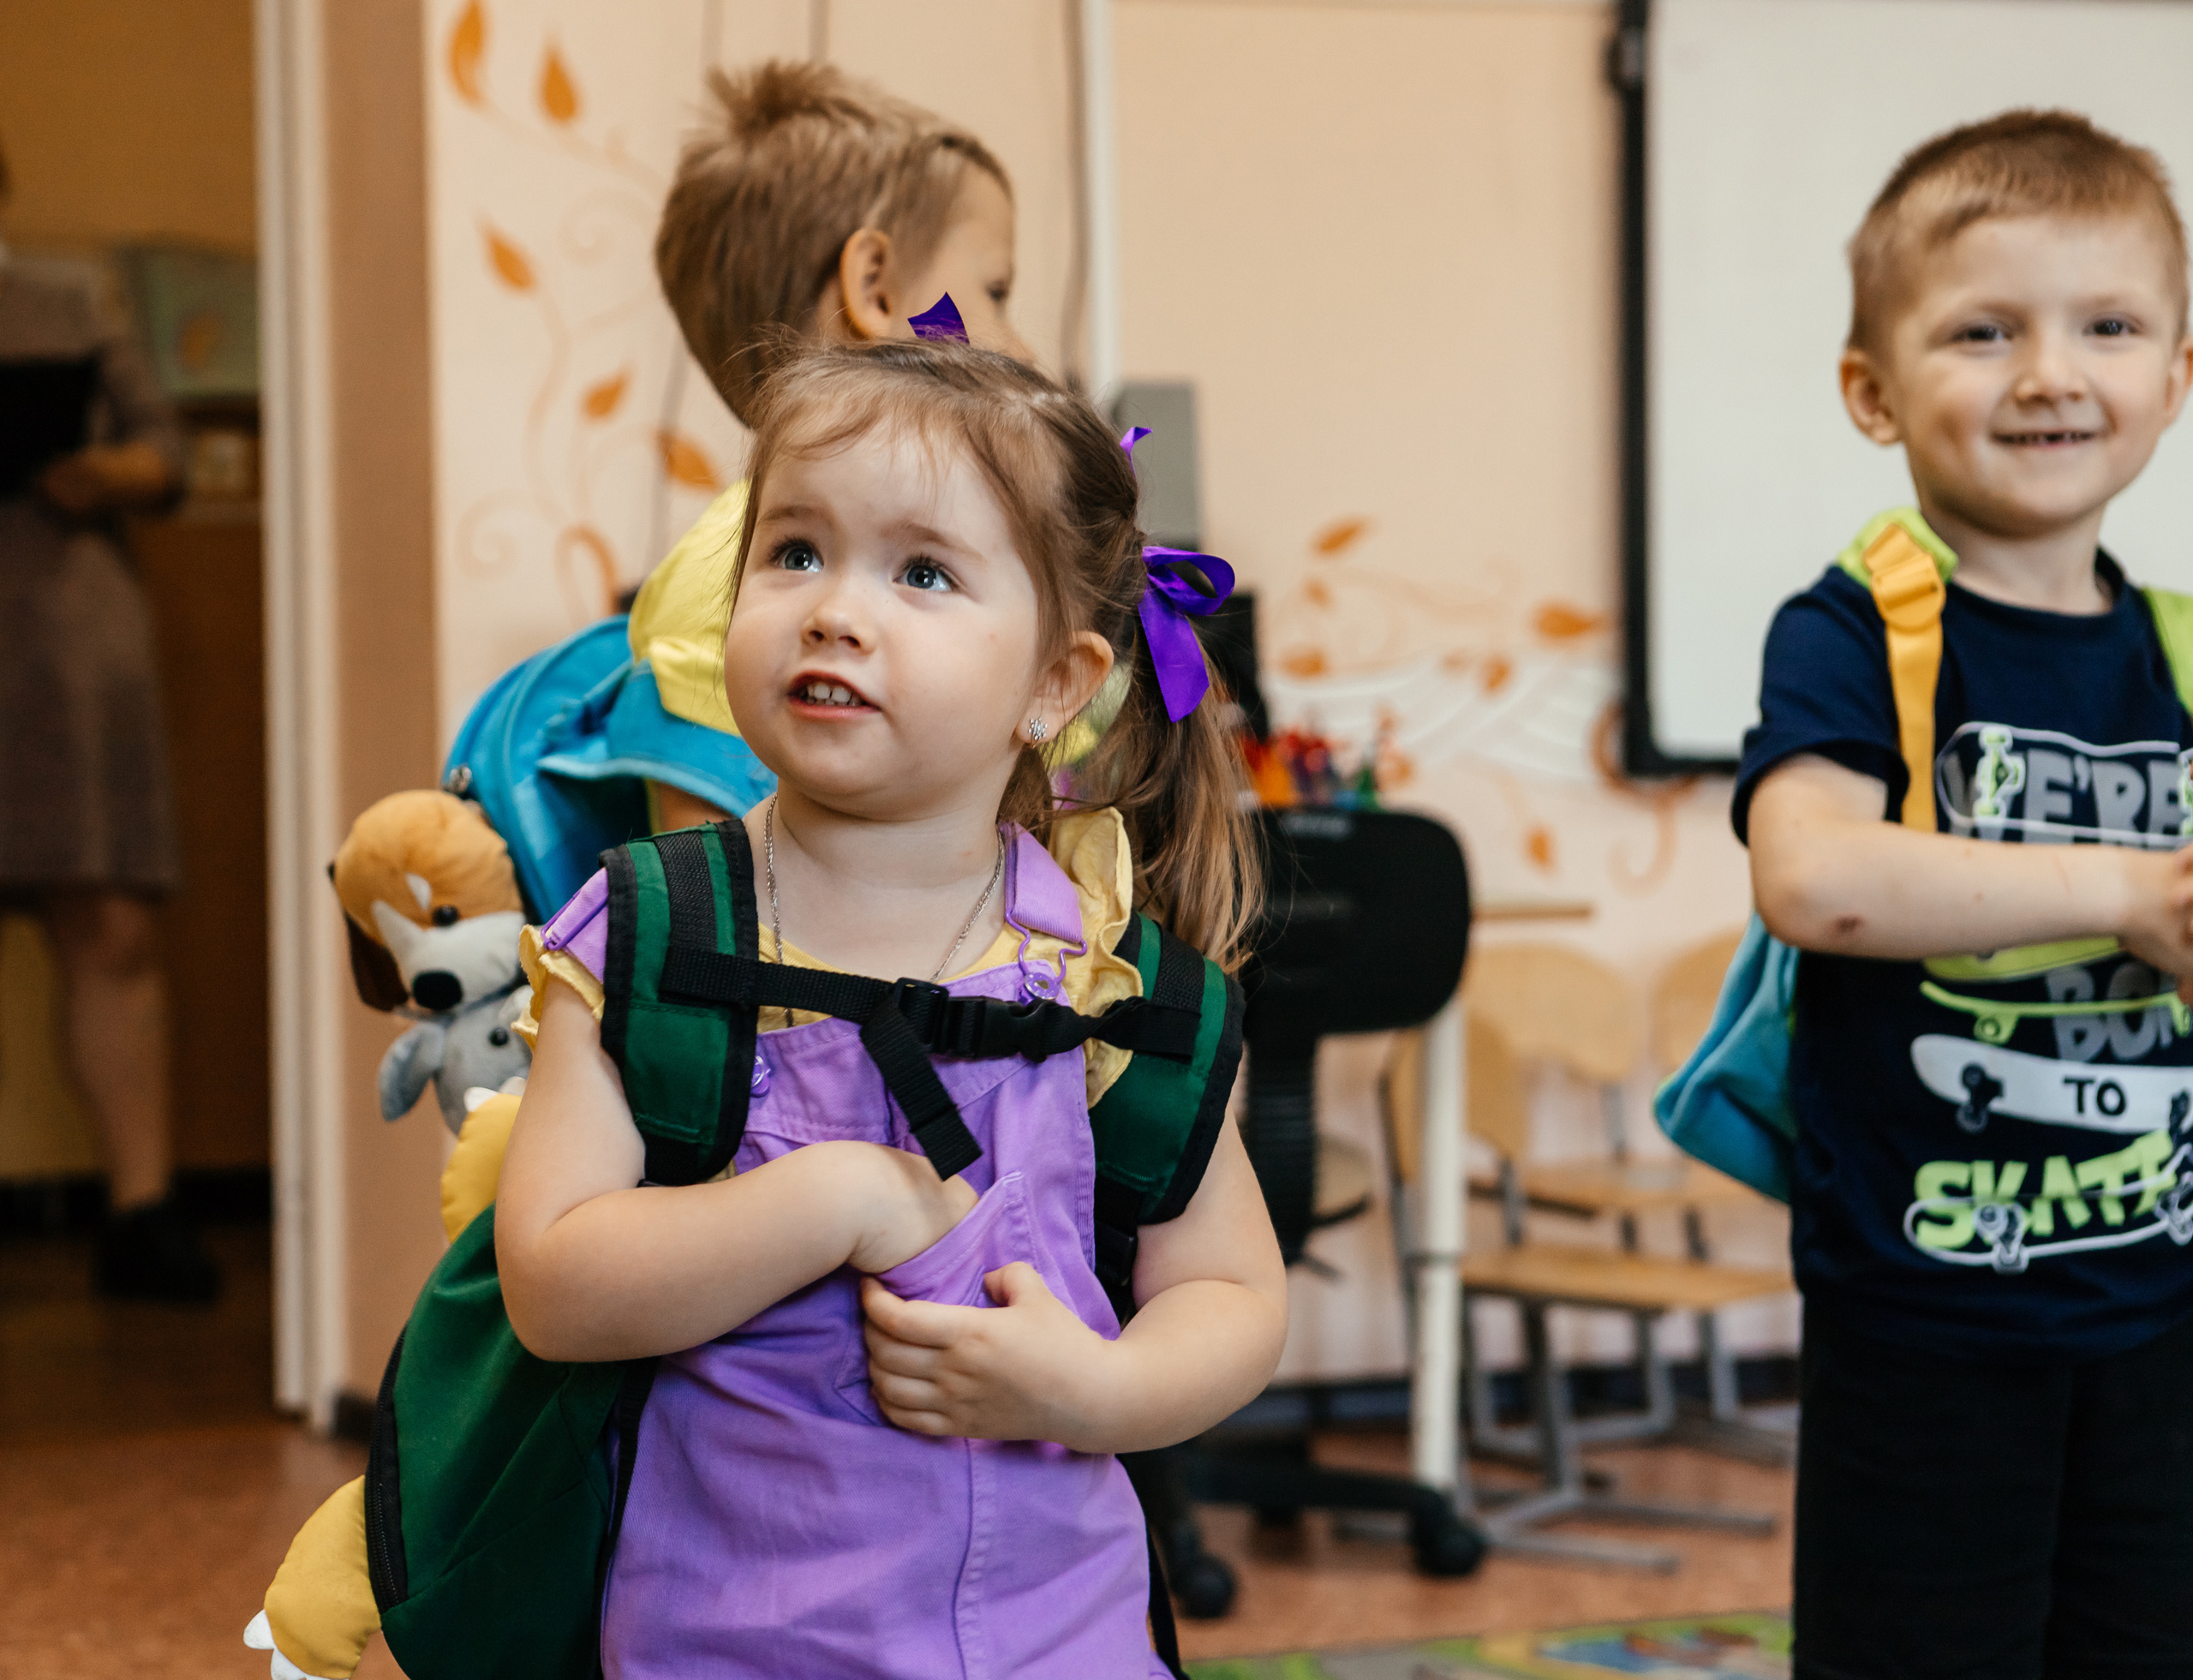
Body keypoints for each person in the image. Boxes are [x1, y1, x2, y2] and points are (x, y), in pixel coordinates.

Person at [498, 336, 1288, 1677]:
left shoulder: (1109, 981)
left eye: (922, 573)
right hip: (724, 1646)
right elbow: (554, 1284)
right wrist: (835, 1199)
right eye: (794, 550)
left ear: (1056, 684)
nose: (832, 610)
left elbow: (1230, 1294)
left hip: (1061, 1642)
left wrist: (1091, 1390)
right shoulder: (647, 936)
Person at [1739, 111, 2193, 1677]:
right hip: (1928, 1324)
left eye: (2110, 327)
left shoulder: (2182, 653)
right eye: (1985, 329)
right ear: (1874, 392)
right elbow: (1813, 876)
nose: (2053, 372)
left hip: (2162, 1313)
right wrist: (2129, 892)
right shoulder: (1858, 625)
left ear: (2176, 378)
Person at [634, 58, 1031, 833]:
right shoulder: (723, 574)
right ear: (875, 289)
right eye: (996, 292)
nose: (1023, 345)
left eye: (922, 573)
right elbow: (702, 915)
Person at [0, 140, 215, 1302]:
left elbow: (166, 454)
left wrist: (96, 472)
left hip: (66, 648)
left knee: (111, 927)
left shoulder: (69, 302)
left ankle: (143, 1210)